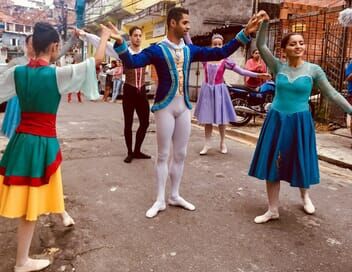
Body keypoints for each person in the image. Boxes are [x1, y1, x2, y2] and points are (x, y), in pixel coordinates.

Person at [109, 7, 262, 218]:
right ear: (173, 23)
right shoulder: (156, 49)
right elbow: (132, 62)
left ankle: (174, 195)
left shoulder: (190, 50)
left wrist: (245, 33)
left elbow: (220, 52)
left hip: (184, 108)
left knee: (180, 154)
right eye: (185, 23)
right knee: (163, 155)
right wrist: (120, 44)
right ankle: (160, 199)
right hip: (164, 107)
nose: (188, 27)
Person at [0, 22, 109, 271]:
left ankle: (60, 215)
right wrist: (103, 36)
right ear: (54, 46)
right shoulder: (56, 75)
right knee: (31, 202)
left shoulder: (18, 73)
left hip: (21, 141)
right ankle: (21, 261)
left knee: (46, 188)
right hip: (42, 144)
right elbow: (97, 61)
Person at [248, 11, 352, 224]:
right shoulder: (278, 66)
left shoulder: (314, 70)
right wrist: (265, 23)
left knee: (300, 160)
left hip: (300, 122)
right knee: (272, 163)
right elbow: (261, 45)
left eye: (301, 43)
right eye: (293, 43)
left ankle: (305, 195)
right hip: (276, 120)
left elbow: (332, 93)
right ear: (285, 49)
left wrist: (351, 110)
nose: (298, 46)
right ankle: (273, 209)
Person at [78, 26, 151, 163]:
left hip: (141, 91)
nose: (138, 38)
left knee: (145, 122)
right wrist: (85, 35)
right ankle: (130, 152)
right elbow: (104, 44)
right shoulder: (124, 52)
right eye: (135, 35)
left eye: (140, 35)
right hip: (129, 90)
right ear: (130, 38)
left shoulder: (146, 53)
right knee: (128, 123)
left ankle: (137, 150)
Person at [190, 33, 271, 155]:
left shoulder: (225, 60)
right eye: (215, 44)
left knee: (222, 119)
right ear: (211, 45)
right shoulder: (205, 58)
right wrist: (186, 34)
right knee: (207, 119)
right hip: (207, 91)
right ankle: (207, 144)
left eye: (220, 44)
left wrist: (259, 75)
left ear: (222, 45)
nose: (217, 46)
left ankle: (222, 142)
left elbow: (242, 71)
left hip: (219, 90)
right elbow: (191, 47)